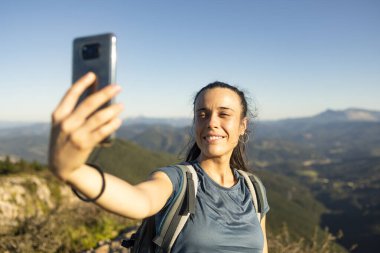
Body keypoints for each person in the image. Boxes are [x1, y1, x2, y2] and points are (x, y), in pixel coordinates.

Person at [48, 72, 269, 253]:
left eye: (224, 114)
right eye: (202, 114)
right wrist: (73, 171)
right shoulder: (177, 181)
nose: (211, 122)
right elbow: (138, 201)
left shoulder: (253, 189)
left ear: (242, 125)